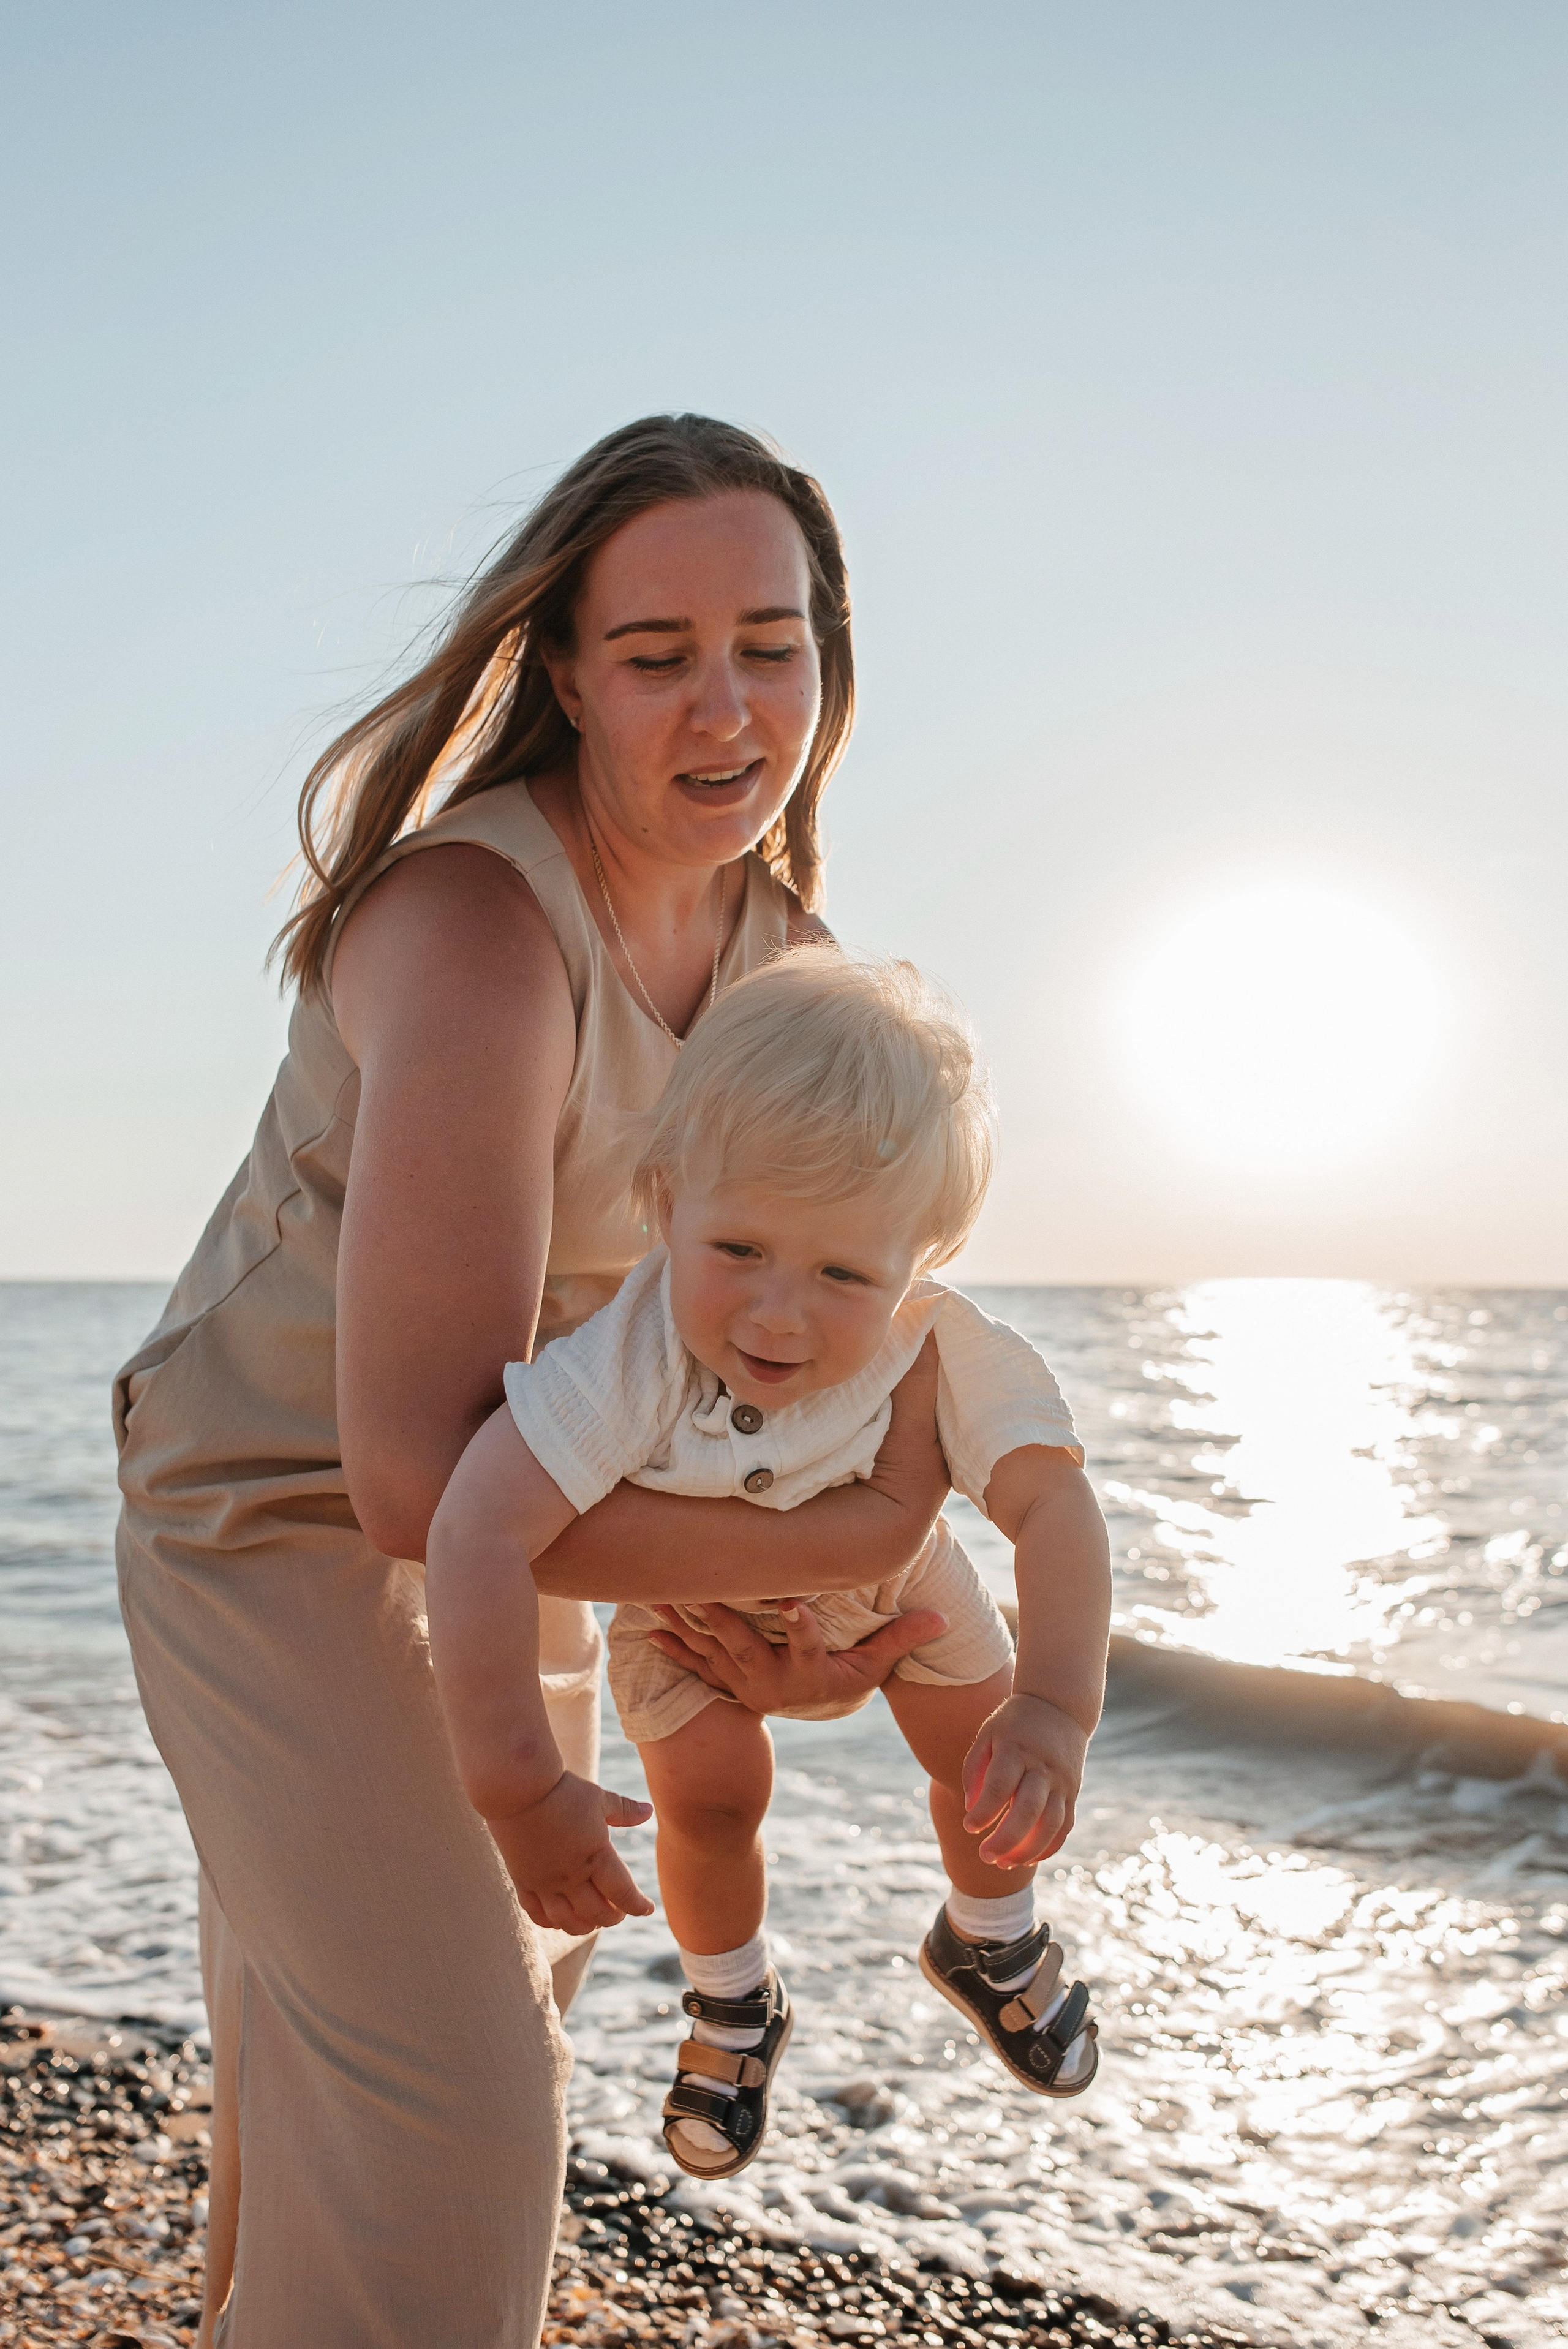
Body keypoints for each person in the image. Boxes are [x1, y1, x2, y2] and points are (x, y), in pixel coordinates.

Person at [111, 415, 957, 2349]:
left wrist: (809, 1621)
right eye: (659, 655)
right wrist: (830, 1539)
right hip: (281, 1516)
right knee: (460, 2116)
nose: (728, 706)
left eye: (771, 644)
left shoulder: (791, 972)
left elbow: (784, 1363)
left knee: (359, 2127)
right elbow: (414, 1477)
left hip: (533, 1515)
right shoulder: (477, 931)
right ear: (566, 675)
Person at [427, 948, 1111, 2182]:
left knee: (987, 1759)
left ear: (921, 1259)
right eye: (738, 1249)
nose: (779, 1314)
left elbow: (1054, 1507)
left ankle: (989, 1933)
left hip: (902, 1588)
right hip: (680, 1613)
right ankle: (733, 2001)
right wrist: (519, 1789)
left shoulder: (941, 1342)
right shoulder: (636, 1350)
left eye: (845, 1273)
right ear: (665, 1202)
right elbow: (477, 1526)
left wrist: (1058, 1706)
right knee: (709, 1798)